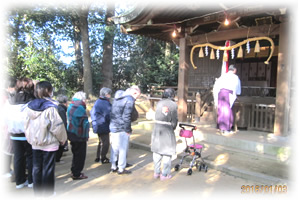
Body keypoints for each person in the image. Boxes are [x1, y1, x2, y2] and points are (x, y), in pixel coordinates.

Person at [24, 81, 67, 197]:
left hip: (35, 143)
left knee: (36, 167)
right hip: (49, 143)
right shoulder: (51, 107)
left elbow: (26, 125)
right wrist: (63, 139)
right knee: (48, 169)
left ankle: (37, 193)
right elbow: (57, 127)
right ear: (48, 91)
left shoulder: (30, 106)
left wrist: (29, 138)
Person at [6, 77, 35, 189]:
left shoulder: (10, 100)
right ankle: (31, 181)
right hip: (26, 132)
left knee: (18, 157)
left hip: (14, 133)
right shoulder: (29, 98)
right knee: (30, 156)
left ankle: (19, 181)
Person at [109, 86, 141, 175]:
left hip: (113, 126)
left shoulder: (116, 99)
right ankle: (121, 168)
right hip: (122, 128)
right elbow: (126, 117)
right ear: (134, 93)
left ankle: (113, 166)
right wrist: (128, 129)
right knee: (123, 148)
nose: (137, 98)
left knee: (114, 147)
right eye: (137, 96)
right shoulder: (129, 100)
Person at [151, 88, 178, 181]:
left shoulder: (159, 103)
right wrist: (173, 127)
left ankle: (156, 172)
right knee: (167, 152)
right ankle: (165, 174)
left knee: (157, 151)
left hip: (157, 127)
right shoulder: (173, 104)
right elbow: (174, 119)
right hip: (167, 128)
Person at [67, 91, 89, 180]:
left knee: (75, 153)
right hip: (79, 136)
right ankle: (77, 173)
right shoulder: (80, 107)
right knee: (80, 155)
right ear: (82, 99)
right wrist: (86, 135)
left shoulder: (71, 106)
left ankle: (74, 171)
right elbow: (85, 123)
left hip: (72, 133)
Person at [213, 64, 241, 134]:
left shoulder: (223, 76)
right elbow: (238, 89)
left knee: (221, 110)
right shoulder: (235, 77)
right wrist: (237, 93)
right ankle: (225, 128)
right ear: (234, 70)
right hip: (228, 94)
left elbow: (216, 85)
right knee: (226, 111)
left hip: (220, 93)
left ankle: (221, 127)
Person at [91, 87, 112, 164]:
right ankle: (103, 157)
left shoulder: (98, 101)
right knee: (105, 142)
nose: (110, 95)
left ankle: (98, 156)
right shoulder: (104, 103)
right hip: (103, 125)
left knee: (101, 141)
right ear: (106, 94)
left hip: (97, 124)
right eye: (109, 94)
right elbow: (108, 115)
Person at [55, 95, 68, 163]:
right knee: (61, 145)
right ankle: (57, 158)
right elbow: (63, 122)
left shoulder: (57, 108)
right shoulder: (62, 110)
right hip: (60, 130)